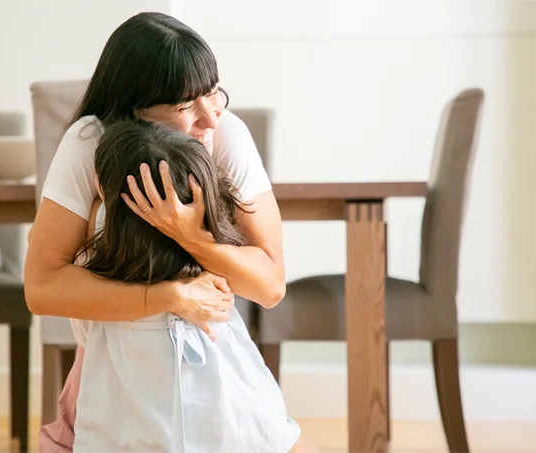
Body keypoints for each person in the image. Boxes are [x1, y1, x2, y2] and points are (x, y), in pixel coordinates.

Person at [24, 11, 320, 453]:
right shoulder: (90, 143)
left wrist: (190, 235)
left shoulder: (225, 136)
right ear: (134, 110)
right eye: (185, 107)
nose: (210, 118)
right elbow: (43, 287)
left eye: (213, 93)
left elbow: (269, 285)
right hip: (114, 362)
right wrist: (169, 297)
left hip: (211, 359)